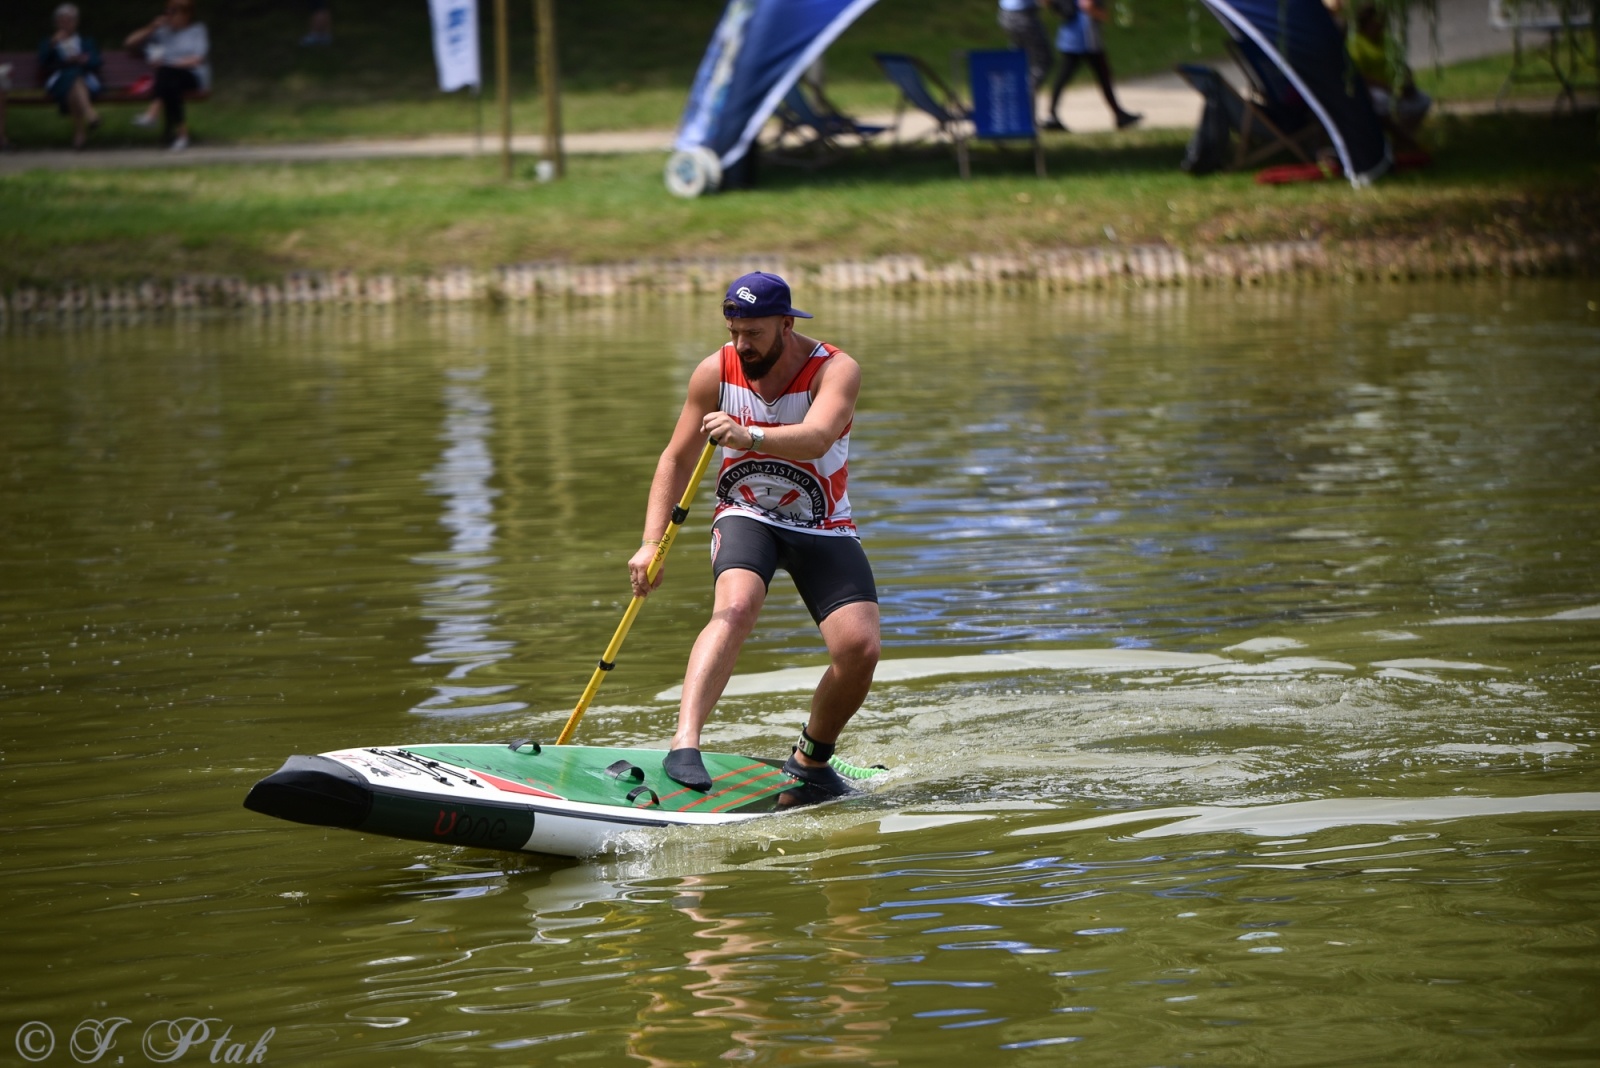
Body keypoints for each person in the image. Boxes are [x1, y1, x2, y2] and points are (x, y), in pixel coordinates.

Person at [630, 272, 881, 805]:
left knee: (860, 649)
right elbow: (675, 458)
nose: (742, 345)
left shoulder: (835, 369)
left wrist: (750, 435)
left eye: (754, 334)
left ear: (786, 324)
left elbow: (817, 438)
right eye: (734, 332)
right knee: (737, 606)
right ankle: (684, 744)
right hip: (745, 513)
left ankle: (811, 761)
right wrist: (652, 543)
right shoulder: (715, 371)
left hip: (823, 522)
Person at [1043, 0, 1141, 132]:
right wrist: (1101, 14)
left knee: (1072, 77)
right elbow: (1086, 6)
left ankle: (1052, 115)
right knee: (1099, 78)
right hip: (1083, 42)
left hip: (1077, 40)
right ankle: (1052, 115)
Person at [124, 0, 209, 151]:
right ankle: (182, 135)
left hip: (192, 75)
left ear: (187, 14)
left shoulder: (197, 30)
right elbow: (129, 43)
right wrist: (151, 27)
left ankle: (152, 115)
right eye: (167, 11)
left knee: (167, 73)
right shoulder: (162, 31)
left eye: (174, 11)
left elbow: (197, 59)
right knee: (171, 84)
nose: (169, 15)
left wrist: (170, 64)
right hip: (169, 79)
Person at [1349, 1, 1430, 147]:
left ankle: (1404, 136)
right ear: (1366, 23)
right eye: (1377, 21)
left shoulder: (1386, 39)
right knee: (1381, 103)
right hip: (1373, 89)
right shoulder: (1356, 43)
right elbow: (1359, 76)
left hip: (1393, 87)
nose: (1382, 24)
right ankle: (1400, 139)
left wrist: (1407, 83)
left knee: (1422, 100)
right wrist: (1387, 87)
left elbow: (1402, 65)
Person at [39, 4, 104, 149]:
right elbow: (43, 62)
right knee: (72, 76)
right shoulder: (49, 42)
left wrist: (83, 60)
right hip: (59, 80)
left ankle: (79, 134)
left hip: (85, 79)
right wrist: (52, 44)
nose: (66, 24)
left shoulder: (86, 42)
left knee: (74, 80)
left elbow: (96, 62)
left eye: (70, 20)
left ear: (76, 22)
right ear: (56, 23)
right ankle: (90, 114)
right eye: (62, 21)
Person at [997, 0, 1053, 100]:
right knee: (1042, 60)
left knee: (1018, 59)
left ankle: (1012, 92)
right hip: (1023, 16)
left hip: (1005, 14)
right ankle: (1023, 95)